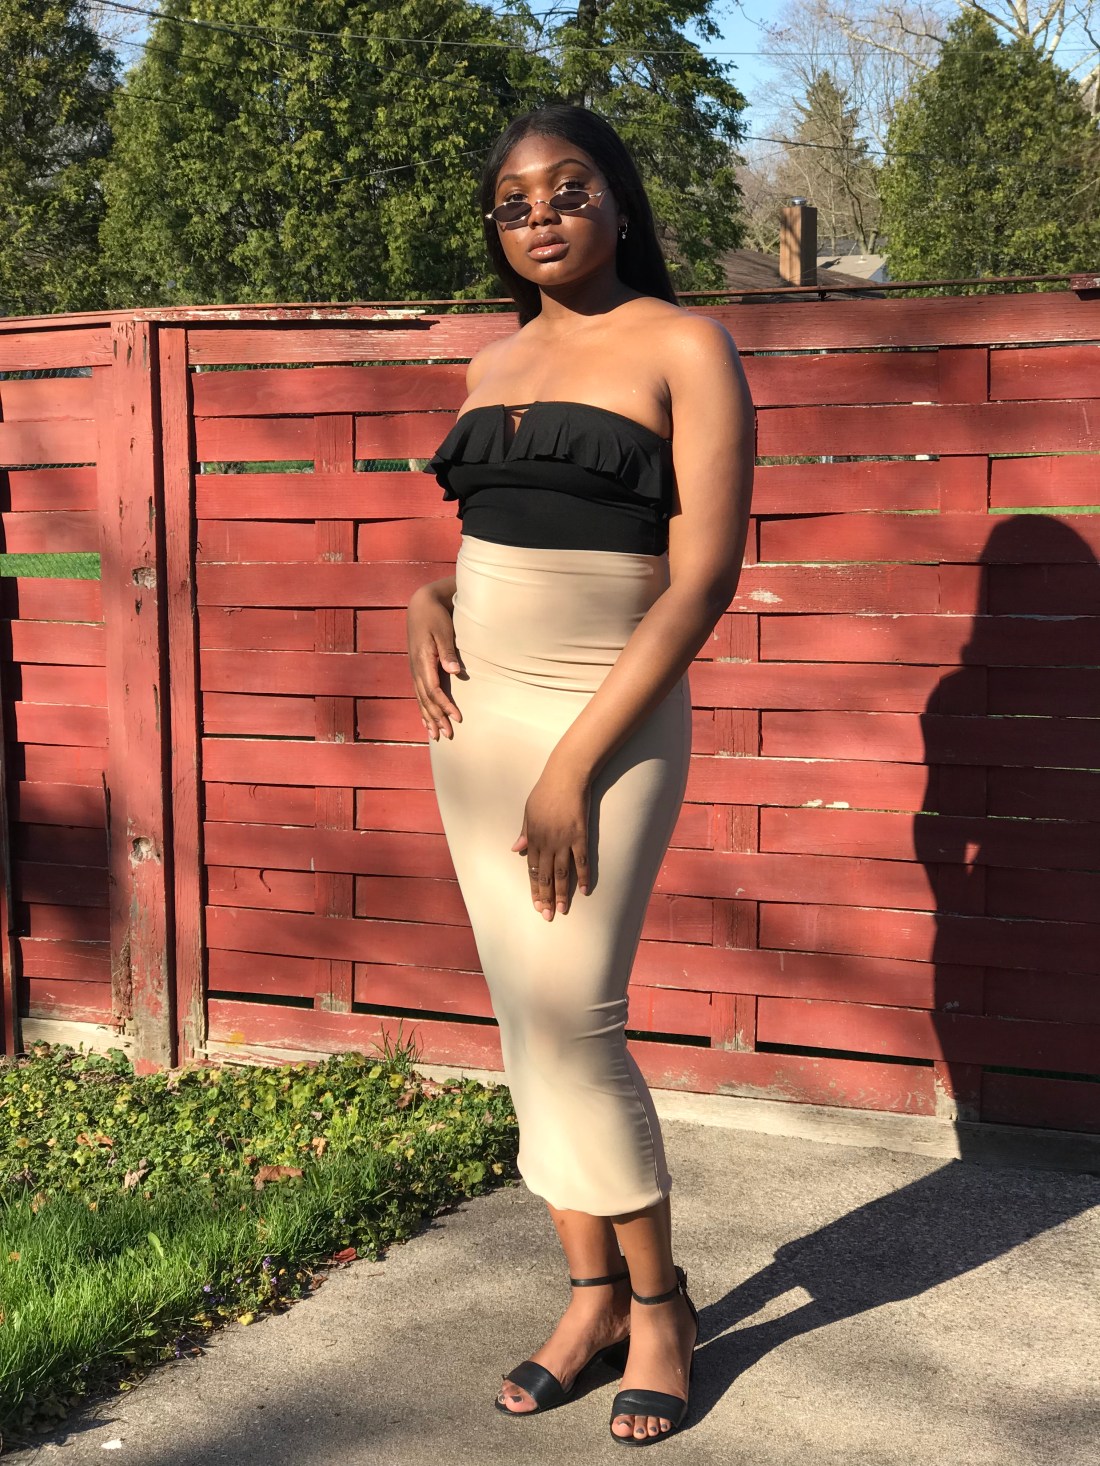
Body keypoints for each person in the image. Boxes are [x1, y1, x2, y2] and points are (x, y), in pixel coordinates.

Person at [405, 102, 754, 1446]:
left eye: (569, 187)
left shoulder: (683, 344)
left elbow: (699, 578)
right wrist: (428, 597)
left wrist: (572, 765)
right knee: (524, 1022)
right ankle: (591, 1295)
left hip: (605, 721)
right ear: (495, 230)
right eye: (514, 200)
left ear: (618, 200)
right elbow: (506, 533)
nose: (541, 213)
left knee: (577, 1021)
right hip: (478, 726)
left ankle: (662, 1305)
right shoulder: (489, 363)